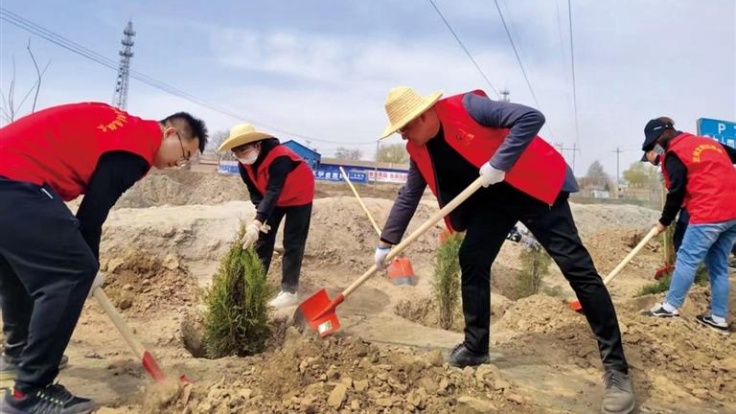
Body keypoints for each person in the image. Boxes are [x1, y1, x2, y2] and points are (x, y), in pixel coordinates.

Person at [373, 87, 634, 414]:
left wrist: (500, 162)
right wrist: (386, 243)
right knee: (472, 258)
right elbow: (409, 195)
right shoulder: (418, 149)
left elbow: (531, 118)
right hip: (493, 202)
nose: (402, 136)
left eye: (405, 128)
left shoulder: (468, 107)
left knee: (576, 268)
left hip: (533, 186)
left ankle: (617, 369)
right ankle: (475, 347)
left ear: (423, 115)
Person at [0, 102, 208, 414]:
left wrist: (86, 260)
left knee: (17, 268)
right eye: (184, 154)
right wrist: (88, 266)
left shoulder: (125, 128)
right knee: (70, 274)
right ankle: (30, 391)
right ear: (169, 133)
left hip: (10, 175)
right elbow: (90, 218)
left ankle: (17, 356)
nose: (179, 164)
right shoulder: (135, 149)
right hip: (15, 178)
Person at [641, 117, 736, 334]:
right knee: (718, 265)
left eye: (654, 142)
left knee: (687, 258)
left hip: (709, 211)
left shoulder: (674, 153)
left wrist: (664, 221)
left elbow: (676, 191)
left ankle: (670, 307)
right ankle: (718, 318)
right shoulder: (709, 143)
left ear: (663, 135)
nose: (656, 147)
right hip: (733, 212)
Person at [218, 124, 314, 309]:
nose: (240, 155)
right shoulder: (244, 166)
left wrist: (257, 221)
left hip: (299, 195)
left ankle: (289, 292)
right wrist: (260, 219)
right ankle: (256, 282)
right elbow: (255, 191)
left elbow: (273, 189)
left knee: (293, 242)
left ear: (257, 144)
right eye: (236, 152)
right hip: (274, 199)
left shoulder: (280, 157)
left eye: (243, 149)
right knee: (263, 239)